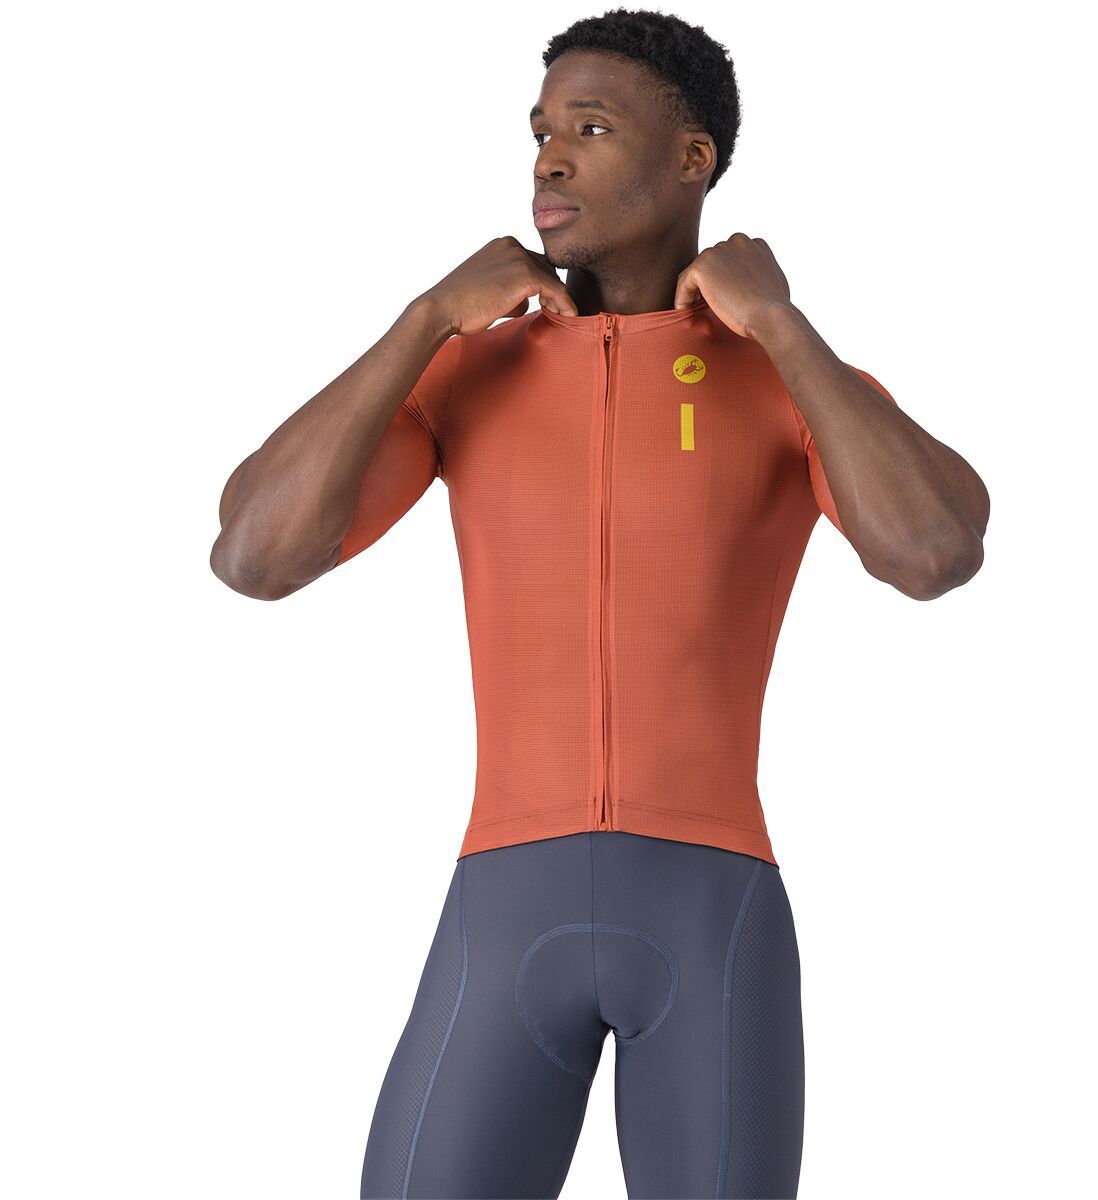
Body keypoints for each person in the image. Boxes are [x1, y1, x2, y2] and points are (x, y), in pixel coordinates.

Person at [211, 10, 989, 1198]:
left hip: (710, 917)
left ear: (693, 158)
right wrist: (424, 319)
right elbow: (254, 555)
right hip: (501, 907)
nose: (549, 159)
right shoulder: (468, 369)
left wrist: (783, 326)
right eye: (538, 133)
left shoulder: (782, 377)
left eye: (589, 128)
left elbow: (933, 550)